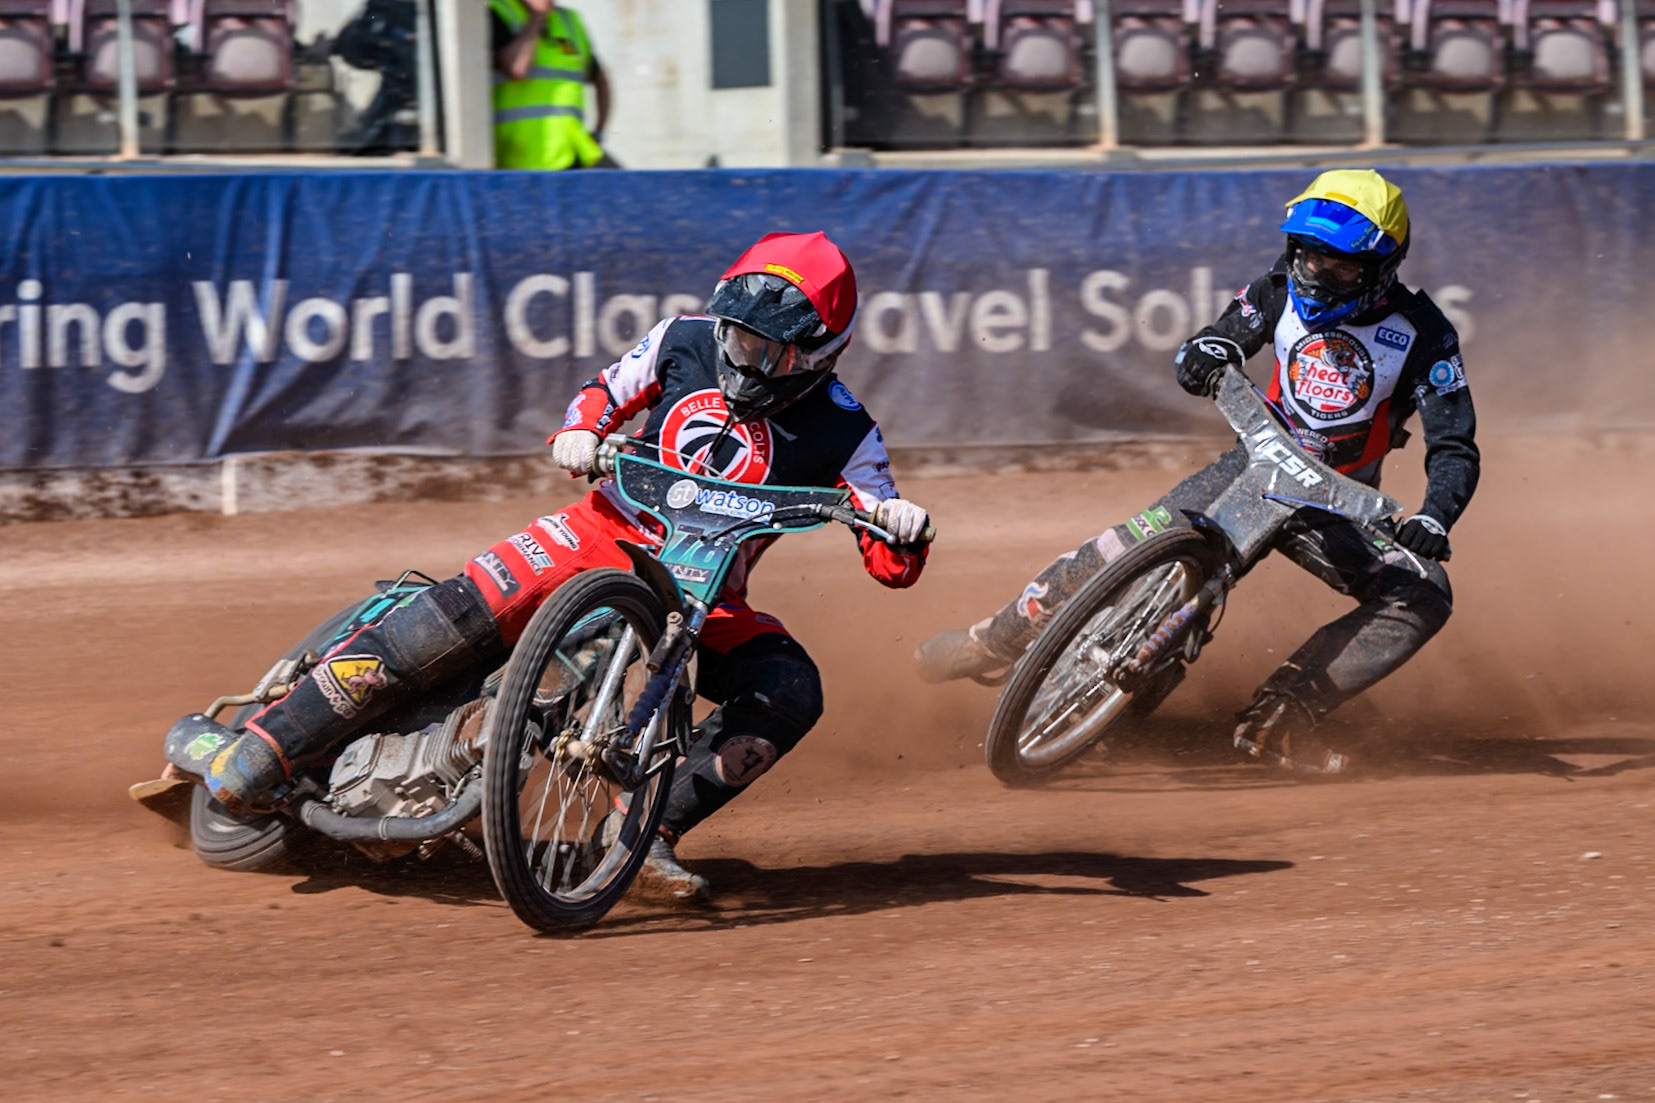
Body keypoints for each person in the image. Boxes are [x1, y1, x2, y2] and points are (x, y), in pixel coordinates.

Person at [188, 231, 931, 897]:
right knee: (450, 617)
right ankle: (269, 744)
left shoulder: (845, 428)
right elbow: (602, 395)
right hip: (594, 535)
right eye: (737, 337)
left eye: (768, 350)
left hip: (708, 594)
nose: (745, 358)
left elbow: (889, 562)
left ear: (820, 350)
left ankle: (644, 833)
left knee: (791, 688)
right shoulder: (682, 337)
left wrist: (902, 528)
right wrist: (578, 434)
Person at [915, 169, 1478, 773]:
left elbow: (1455, 447)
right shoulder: (1276, 287)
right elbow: (1216, 340)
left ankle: (1281, 716)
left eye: (1341, 267)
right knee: (1122, 548)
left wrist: (1434, 517)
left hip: (1335, 500)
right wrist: (1207, 353)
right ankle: (993, 641)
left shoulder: (1424, 333)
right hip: (1252, 461)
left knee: (1422, 593)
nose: (1318, 275)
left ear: (1383, 267)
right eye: (1309, 258)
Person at [490, 0, 610, 170]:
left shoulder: (569, 20)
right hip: (519, 159)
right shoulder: (497, 11)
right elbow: (517, 68)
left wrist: (599, 132)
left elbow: (601, 80)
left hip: (571, 154)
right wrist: (538, 17)